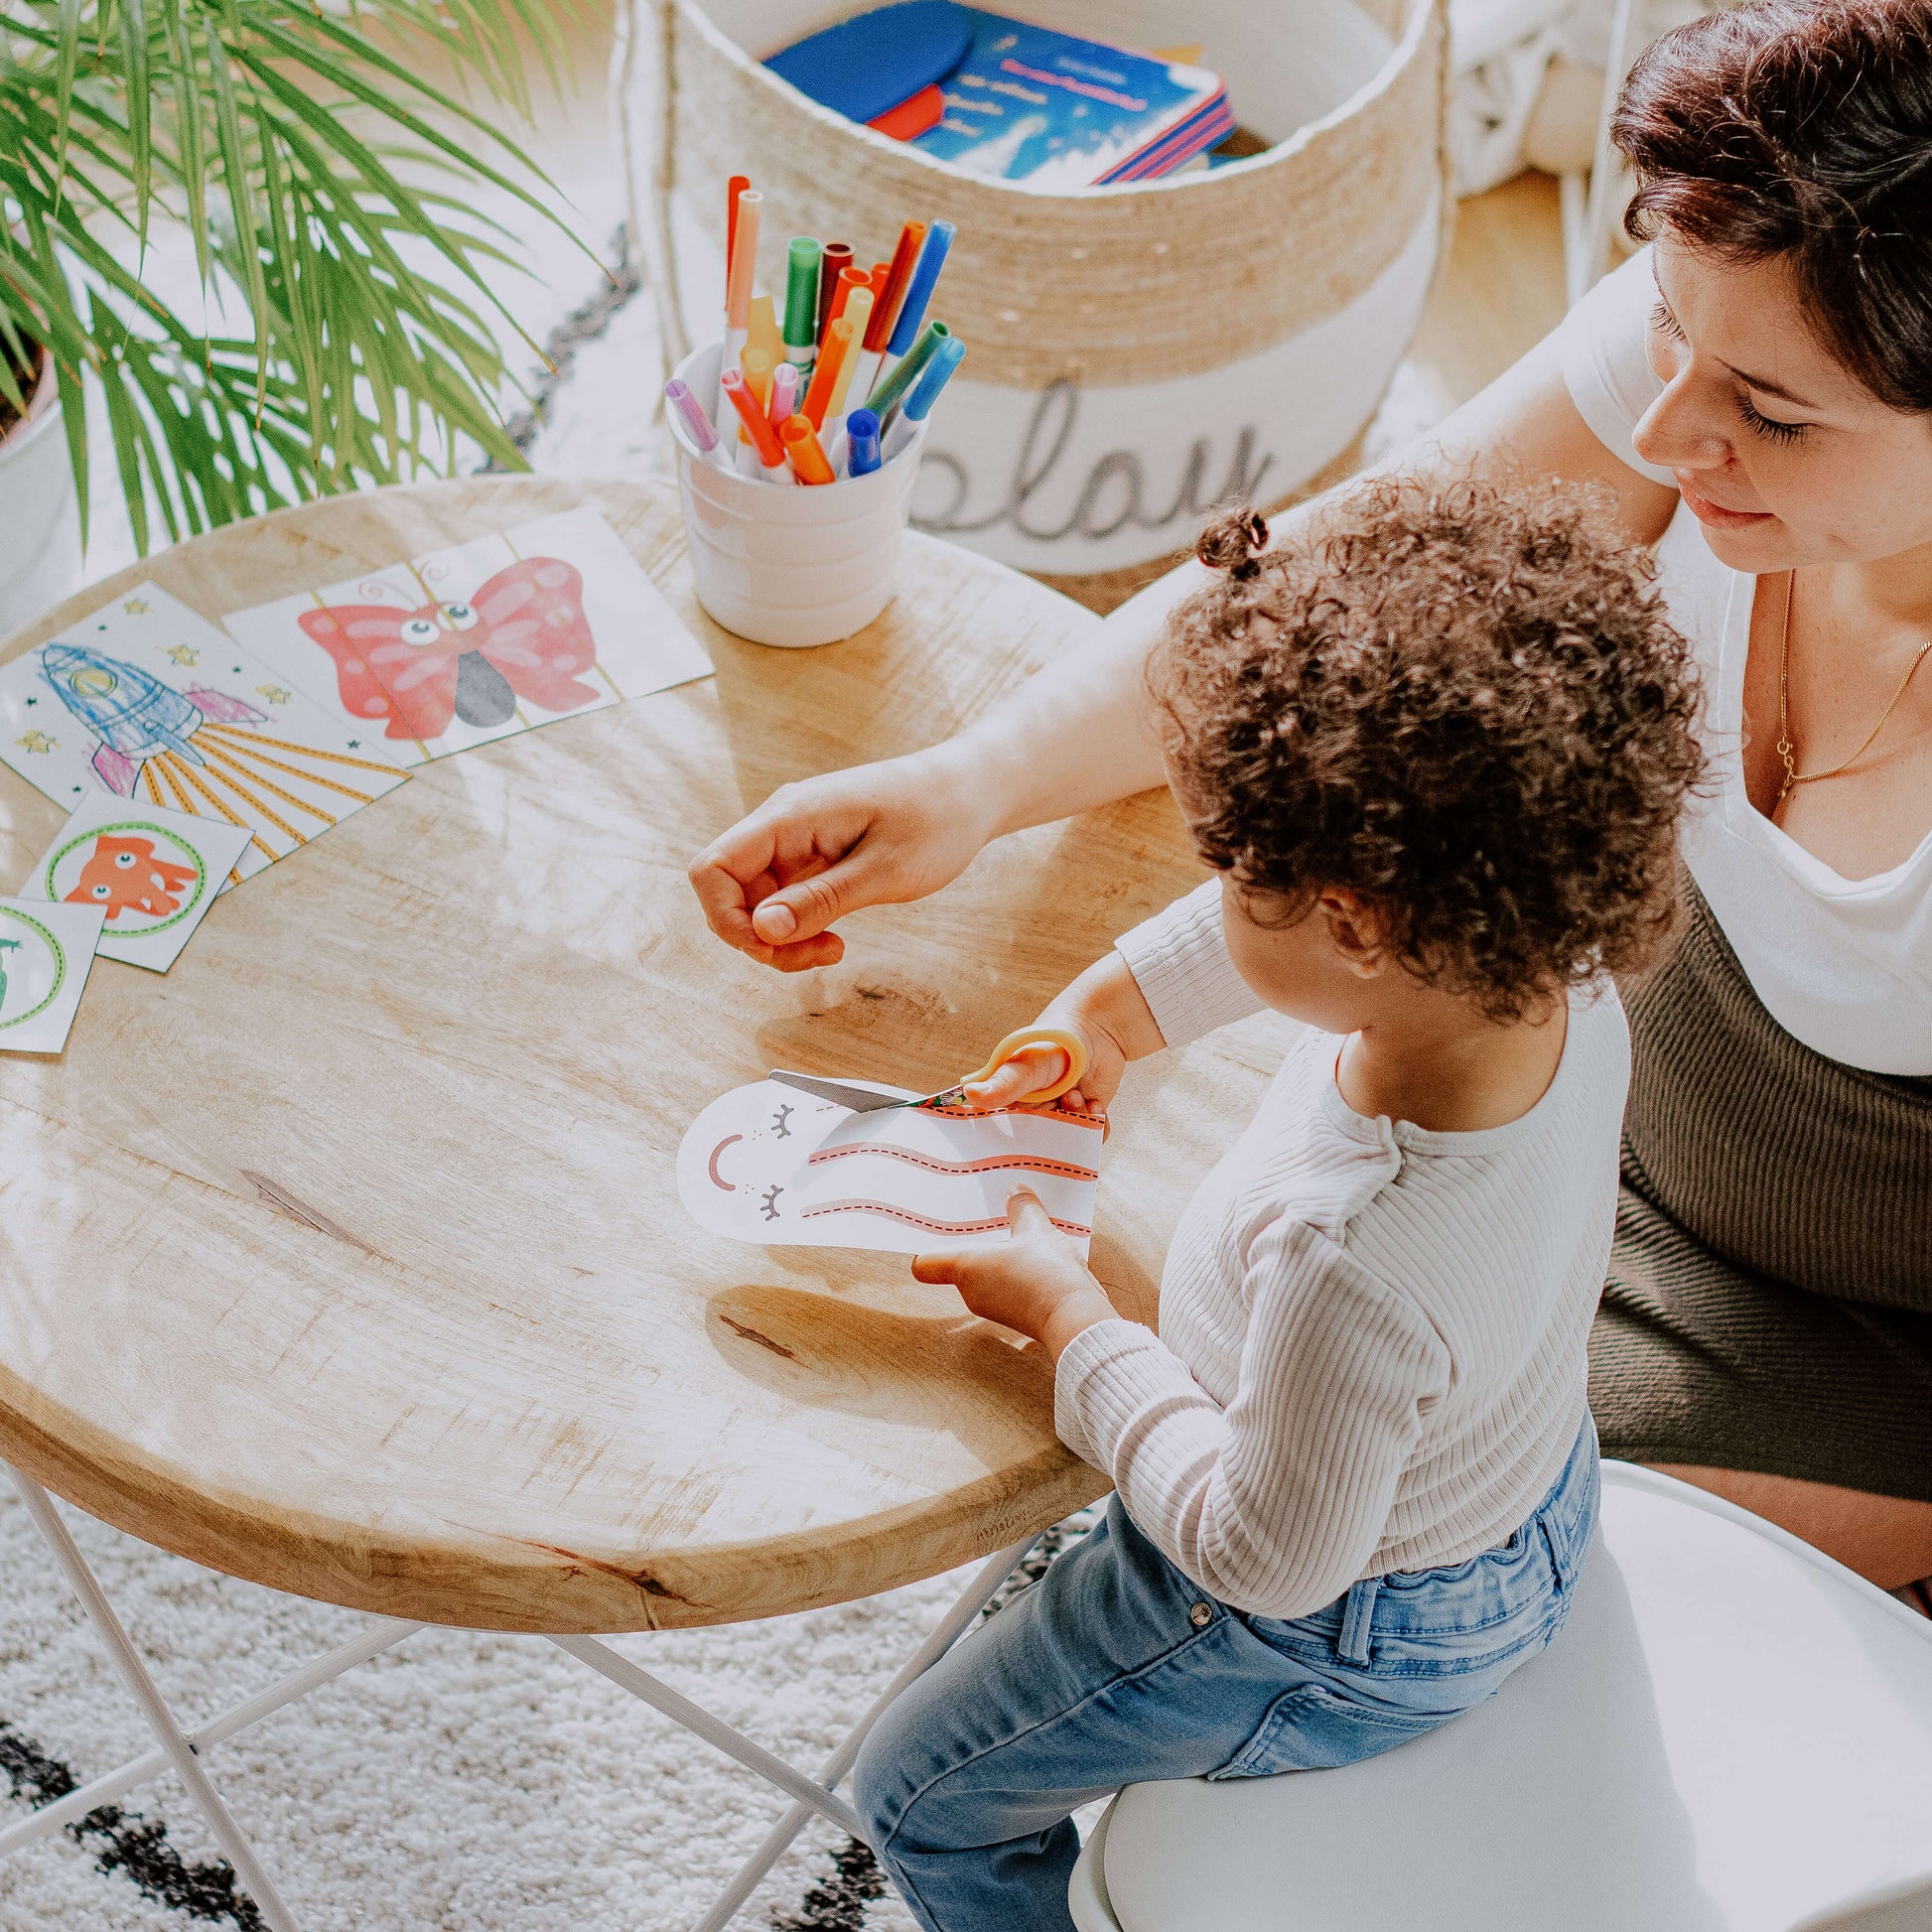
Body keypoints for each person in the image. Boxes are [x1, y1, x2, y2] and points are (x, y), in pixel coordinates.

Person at [691, 0, 1932, 1590]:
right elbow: (1328, 572)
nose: (1662, 425)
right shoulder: (1745, 321)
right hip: (1555, 1100)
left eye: (1768, 415)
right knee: (1233, 1292)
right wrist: (968, 781)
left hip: (1859, 1337)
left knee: (1378, 1531)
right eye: (1667, 333)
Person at [846, 479, 1703, 1932]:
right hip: (1528, 1493)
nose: (1218, 889)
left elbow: (1260, 1551)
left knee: (916, 1789)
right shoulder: (1550, 965)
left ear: (1359, 921)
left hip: (1331, 1617)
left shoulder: (1350, 1250)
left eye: (1238, 872)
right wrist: (1108, 1015)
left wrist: (1073, 1325)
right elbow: (1267, 928)